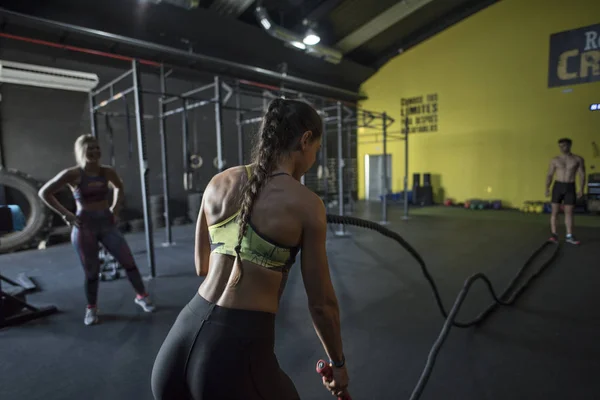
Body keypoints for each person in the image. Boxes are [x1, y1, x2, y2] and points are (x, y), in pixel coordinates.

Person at [151, 99, 349, 400]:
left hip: (179, 343)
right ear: (306, 140)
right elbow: (322, 304)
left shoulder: (218, 182)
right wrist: (339, 365)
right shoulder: (307, 204)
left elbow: (202, 267)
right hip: (232, 354)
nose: (314, 157)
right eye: (317, 150)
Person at [38, 134, 155, 325]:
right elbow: (44, 192)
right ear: (81, 151)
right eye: (89, 148)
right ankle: (91, 308)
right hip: (84, 227)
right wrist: (66, 214)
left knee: (129, 262)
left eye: (96, 148)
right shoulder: (73, 174)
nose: (94, 152)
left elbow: (119, 187)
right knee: (91, 271)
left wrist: (115, 209)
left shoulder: (107, 172)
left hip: (107, 224)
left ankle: (142, 296)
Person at [545, 137, 586, 244]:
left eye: (565, 146)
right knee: (554, 212)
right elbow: (550, 174)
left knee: (569, 212)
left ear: (570, 145)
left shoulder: (578, 159)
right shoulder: (555, 160)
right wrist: (547, 188)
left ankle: (569, 235)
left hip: (570, 187)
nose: (563, 148)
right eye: (561, 146)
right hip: (558, 186)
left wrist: (581, 189)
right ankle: (554, 235)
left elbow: (582, 175)